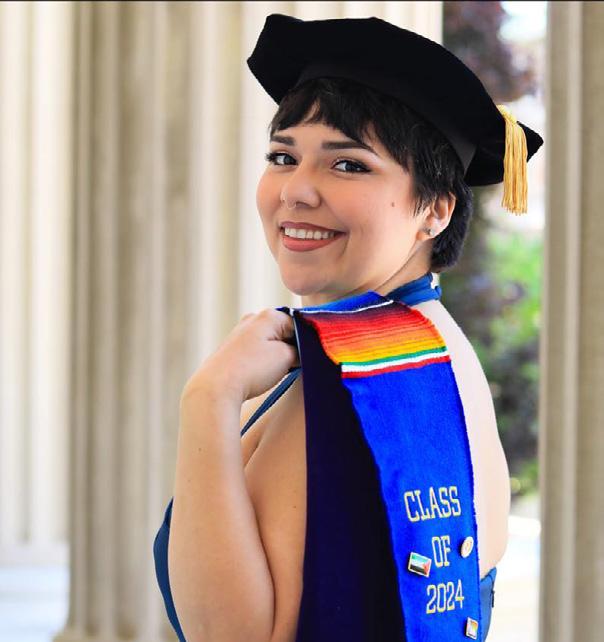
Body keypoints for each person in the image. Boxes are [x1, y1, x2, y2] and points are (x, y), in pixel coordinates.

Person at [153, 13, 543, 642]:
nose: (296, 191)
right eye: (283, 157)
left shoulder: (370, 370)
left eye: (349, 166)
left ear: (435, 209)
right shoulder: (432, 343)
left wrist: (209, 398)